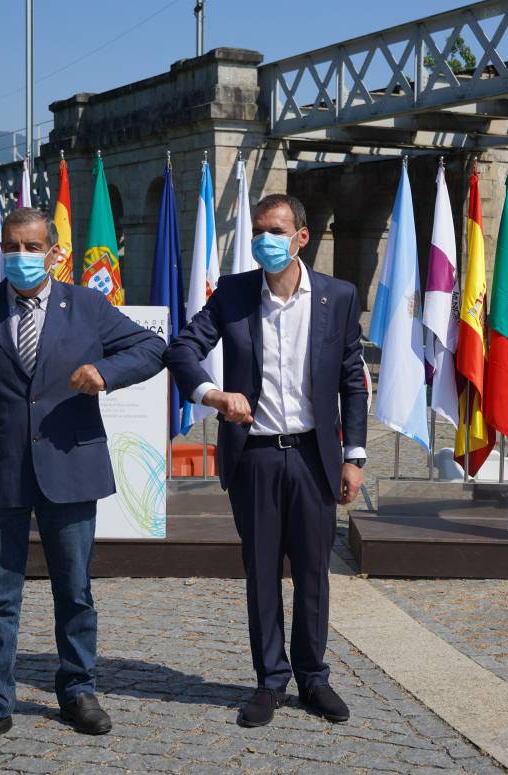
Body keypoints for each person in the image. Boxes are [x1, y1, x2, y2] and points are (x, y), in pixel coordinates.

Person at [0, 207, 165, 751]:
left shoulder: (86, 306)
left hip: (70, 466)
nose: (21, 255)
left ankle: (78, 690)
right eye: (12, 245)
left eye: (31, 246)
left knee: (75, 592)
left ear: (54, 251)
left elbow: (152, 349)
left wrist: (107, 374)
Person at [164, 193, 368, 727]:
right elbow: (183, 348)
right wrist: (213, 395)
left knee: (313, 573)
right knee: (260, 574)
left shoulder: (337, 296)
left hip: (313, 456)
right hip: (253, 455)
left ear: (301, 237)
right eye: (258, 231)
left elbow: (352, 380)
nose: (264, 241)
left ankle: (314, 678)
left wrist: (356, 455)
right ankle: (269, 681)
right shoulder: (233, 294)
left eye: (275, 231)